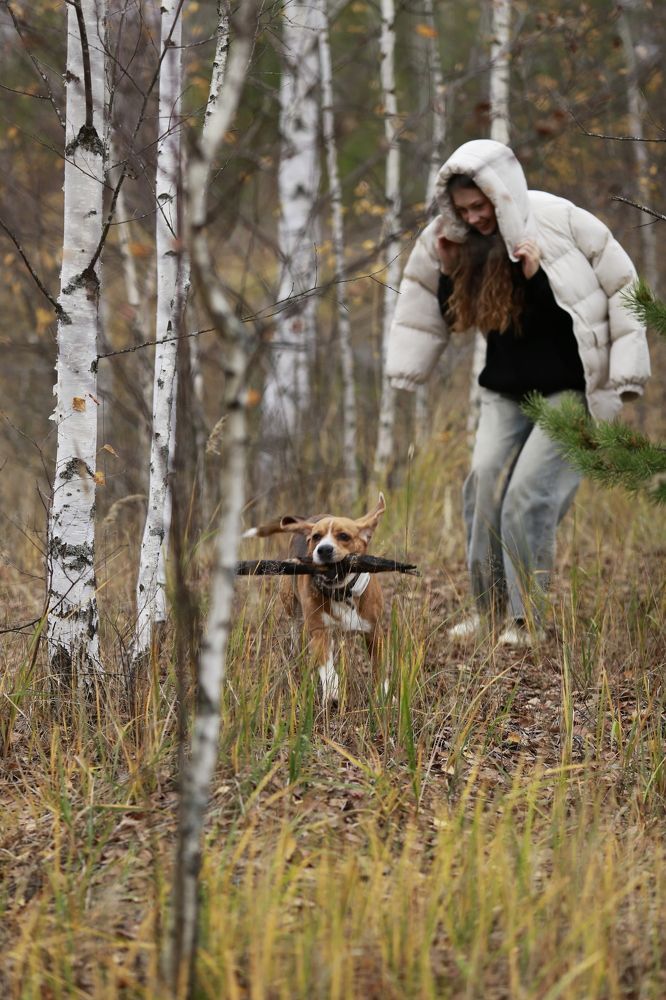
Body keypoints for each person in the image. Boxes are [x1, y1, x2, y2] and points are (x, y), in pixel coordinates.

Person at [386, 139, 651, 646]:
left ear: (500, 193)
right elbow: (454, 320)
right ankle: (487, 612)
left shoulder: (558, 220)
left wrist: (534, 277)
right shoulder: (459, 238)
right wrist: (448, 272)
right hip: (505, 391)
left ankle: (526, 620)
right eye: (463, 209)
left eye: (480, 205)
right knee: (483, 486)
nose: (474, 217)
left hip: (567, 389)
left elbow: (613, 291)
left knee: (526, 496)